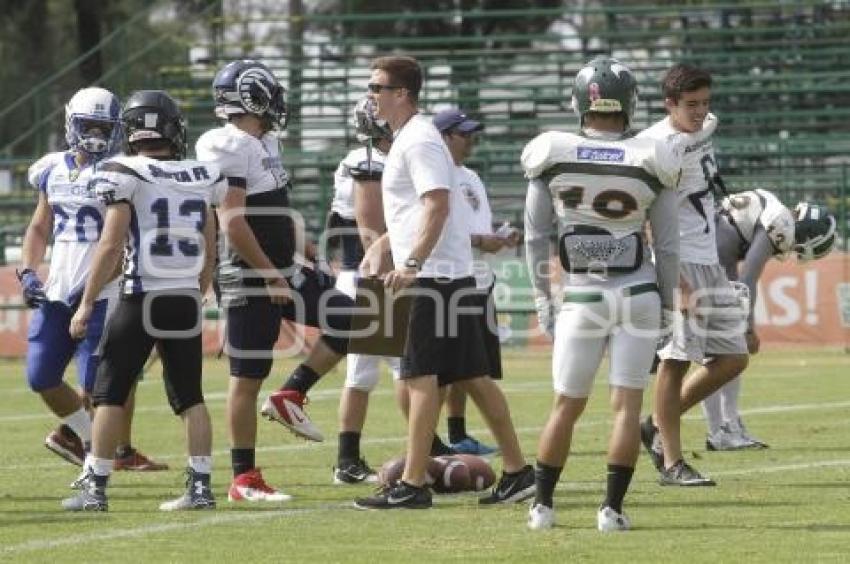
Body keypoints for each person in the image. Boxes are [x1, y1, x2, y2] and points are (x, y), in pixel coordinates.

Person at [354, 55, 534, 510]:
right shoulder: (413, 139)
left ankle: (412, 485)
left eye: (377, 87)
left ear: (401, 93)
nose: (371, 95)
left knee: (419, 377)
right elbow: (416, 211)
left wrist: (410, 261)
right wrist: (383, 247)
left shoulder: (417, 140)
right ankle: (518, 472)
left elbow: (436, 205)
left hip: (434, 277)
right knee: (473, 377)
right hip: (449, 275)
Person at [523, 57, 681, 531]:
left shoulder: (552, 150)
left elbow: (534, 237)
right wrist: (669, 306)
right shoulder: (652, 155)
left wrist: (541, 299)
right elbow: (668, 246)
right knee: (626, 408)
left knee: (566, 405)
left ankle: (542, 508)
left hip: (582, 295)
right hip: (637, 291)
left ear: (580, 102)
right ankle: (611, 511)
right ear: (630, 103)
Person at [195, 59, 353, 502]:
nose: (278, 102)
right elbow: (232, 219)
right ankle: (243, 479)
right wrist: (269, 275)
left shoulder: (263, 141)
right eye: (270, 93)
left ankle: (292, 393)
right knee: (248, 377)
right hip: (249, 273)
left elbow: (275, 208)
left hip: (281, 266)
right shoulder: (225, 143)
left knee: (351, 316)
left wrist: (305, 248)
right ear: (252, 96)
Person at [62, 90, 223, 511]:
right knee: (191, 396)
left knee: (110, 394)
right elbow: (210, 241)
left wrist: (87, 302)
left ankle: (95, 488)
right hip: (185, 295)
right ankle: (201, 487)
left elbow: (112, 243)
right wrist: (201, 287)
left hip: (141, 295)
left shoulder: (123, 171)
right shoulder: (201, 174)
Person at [21, 86, 166, 475]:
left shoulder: (123, 171)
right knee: (40, 375)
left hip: (105, 293)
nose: (97, 136)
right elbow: (39, 226)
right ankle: (87, 440)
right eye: (89, 127)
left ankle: (96, 464)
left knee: (101, 386)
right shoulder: (51, 167)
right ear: (71, 123)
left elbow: (120, 242)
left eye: (104, 128)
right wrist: (28, 269)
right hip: (56, 291)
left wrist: (92, 291)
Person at [637, 63, 749, 486]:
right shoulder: (653, 145)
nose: (700, 112)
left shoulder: (705, 127)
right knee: (676, 360)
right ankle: (671, 462)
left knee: (733, 357)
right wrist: (673, 280)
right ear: (669, 104)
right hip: (679, 261)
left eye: (705, 102)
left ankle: (655, 426)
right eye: (691, 105)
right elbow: (645, 213)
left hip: (710, 261)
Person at [702, 191, 837, 450]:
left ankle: (725, 427)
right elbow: (748, 278)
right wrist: (748, 328)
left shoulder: (772, 206)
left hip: (711, 252)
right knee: (729, 350)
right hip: (712, 259)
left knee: (724, 352)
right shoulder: (780, 221)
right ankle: (721, 429)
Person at [433, 108, 522, 456]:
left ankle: (456, 435)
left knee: (469, 366)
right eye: (463, 133)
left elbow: (473, 222)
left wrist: (499, 233)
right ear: (444, 137)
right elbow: (439, 226)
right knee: (447, 369)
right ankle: (430, 439)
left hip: (479, 279)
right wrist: (479, 241)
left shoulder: (469, 175)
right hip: (454, 280)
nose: (472, 140)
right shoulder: (435, 176)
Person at [328, 96, 399, 484]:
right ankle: (428, 451)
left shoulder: (372, 158)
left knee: (367, 374)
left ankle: (347, 460)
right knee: (404, 370)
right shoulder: (368, 160)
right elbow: (371, 228)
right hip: (373, 275)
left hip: (365, 275)